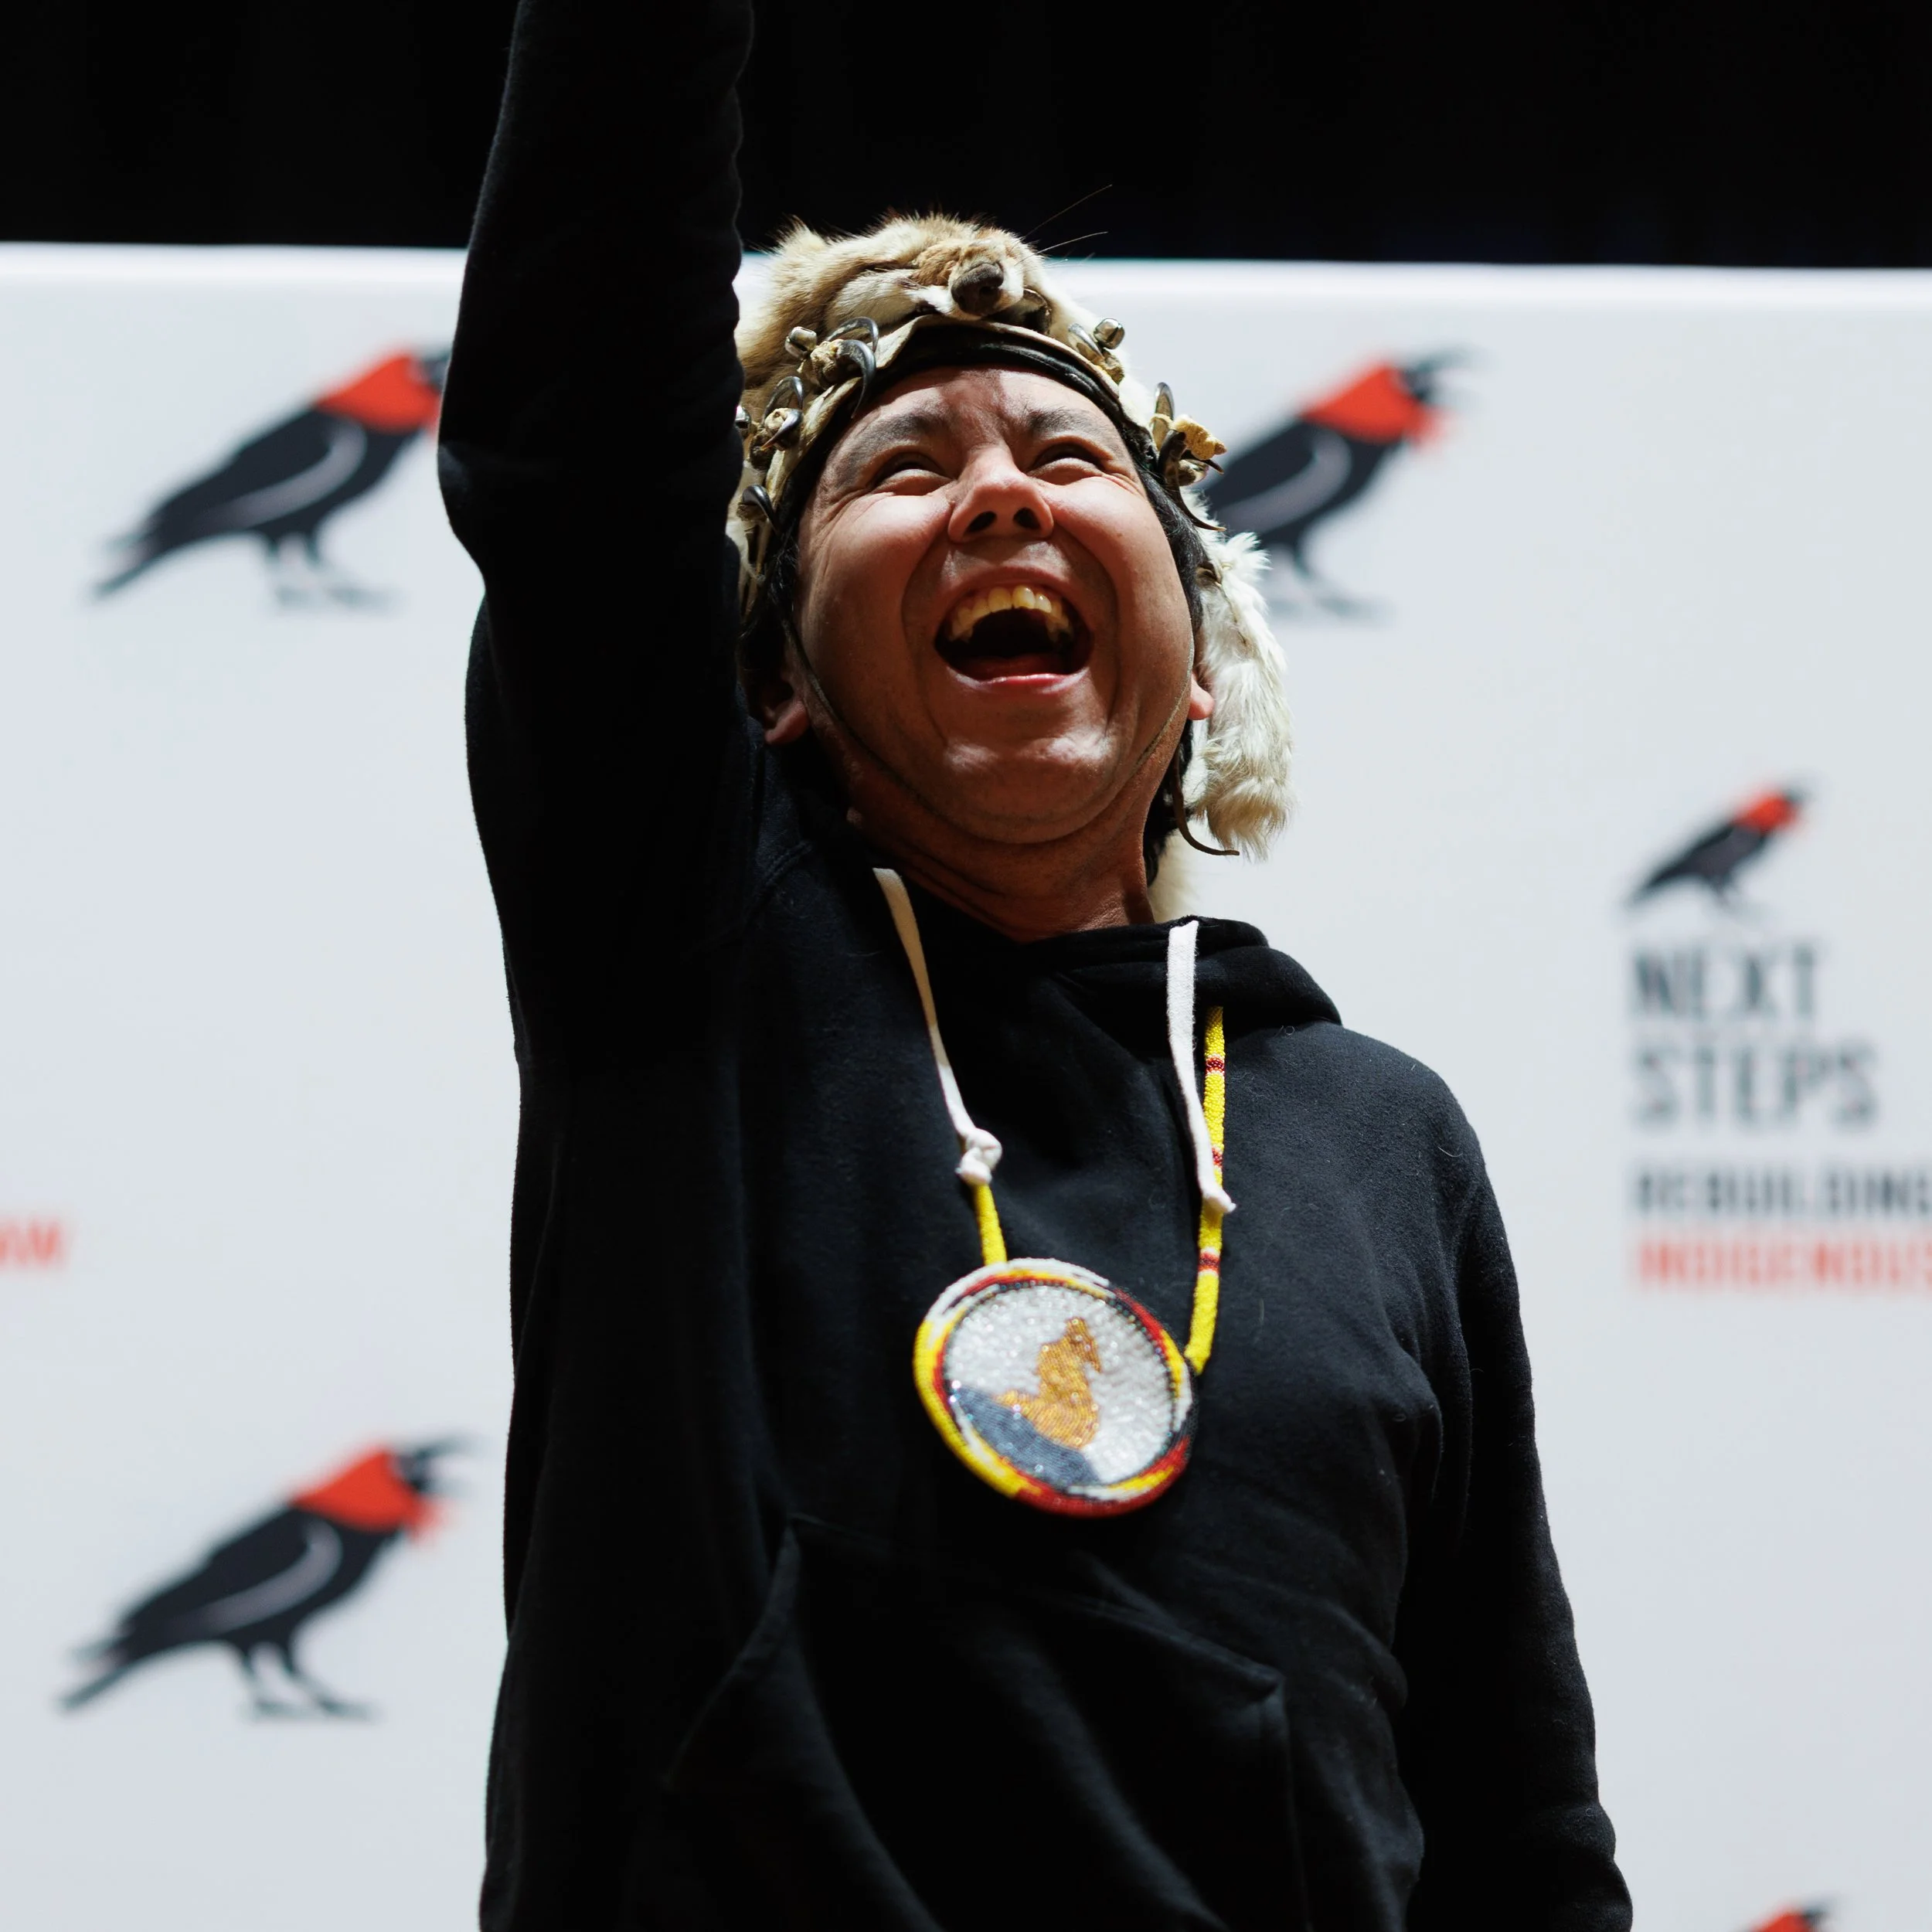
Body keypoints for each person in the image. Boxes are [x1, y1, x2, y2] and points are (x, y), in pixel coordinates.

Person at [439, 0, 1633, 1926]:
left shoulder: (1376, 1137)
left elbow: (1518, 1837)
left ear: (1190, 648)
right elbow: (576, 450)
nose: (1001, 489)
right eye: (899, 468)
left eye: (1071, 459)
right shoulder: (686, 967)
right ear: (775, 692)